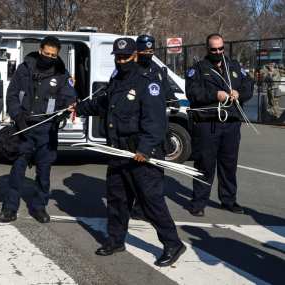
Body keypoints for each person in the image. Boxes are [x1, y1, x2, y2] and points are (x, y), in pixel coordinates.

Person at [73, 38, 185, 267]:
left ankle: (173, 243)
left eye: (126, 57)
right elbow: (104, 104)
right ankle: (115, 241)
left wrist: (145, 150)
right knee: (117, 200)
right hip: (118, 152)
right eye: (118, 57)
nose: (121, 61)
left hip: (142, 154)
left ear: (135, 56)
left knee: (150, 202)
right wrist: (79, 107)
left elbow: (155, 122)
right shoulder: (117, 79)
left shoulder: (148, 82)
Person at [0, 36, 76, 224]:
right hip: (24, 127)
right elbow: (12, 95)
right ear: (40, 50)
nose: (49, 57)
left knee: (44, 172)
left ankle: (39, 207)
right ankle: (9, 208)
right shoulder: (24, 69)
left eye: (53, 55)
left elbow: (68, 98)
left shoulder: (62, 74)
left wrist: (67, 109)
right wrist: (18, 116)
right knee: (17, 172)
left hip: (47, 131)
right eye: (46, 53)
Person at [185, 33, 253, 217]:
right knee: (204, 165)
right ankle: (198, 203)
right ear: (208, 49)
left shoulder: (234, 66)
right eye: (214, 49)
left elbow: (249, 85)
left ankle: (228, 200)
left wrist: (239, 93)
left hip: (230, 123)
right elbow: (192, 92)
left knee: (229, 164)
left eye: (220, 48)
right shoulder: (198, 69)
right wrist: (216, 95)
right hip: (208, 124)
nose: (218, 52)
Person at [128, 34, 181, 220]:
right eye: (144, 51)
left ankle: (143, 209)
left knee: (156, 173)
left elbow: (166, 90)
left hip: (159, 131)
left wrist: (173, 100)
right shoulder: (130, 71)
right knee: (139, 174)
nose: (148, 54)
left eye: (151, 51)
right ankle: (138, 205)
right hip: (139, 131)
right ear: (137, 51)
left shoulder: (158, 70)